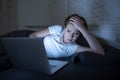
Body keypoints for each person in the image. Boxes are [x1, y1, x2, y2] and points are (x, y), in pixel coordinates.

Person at [29, 14, 105, 58]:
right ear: (64, 28)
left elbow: (100, 52)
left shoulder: (72, 48)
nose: (71, 36)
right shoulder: (57, 29)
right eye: (68, 31)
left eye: (76, 33)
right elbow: (33, 35)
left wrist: (82, 29)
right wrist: (33, 49)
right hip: (32, 49)